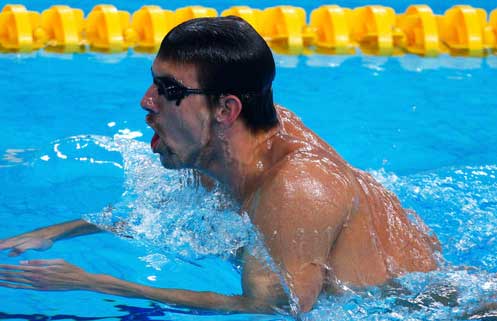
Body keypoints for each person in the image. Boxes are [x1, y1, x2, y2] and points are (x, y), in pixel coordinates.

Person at [0, 16, 440, 315]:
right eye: (154, 82)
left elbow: (266, 309)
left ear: (226, 110)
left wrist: (96, 282)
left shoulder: (295, 190)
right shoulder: (226, 141)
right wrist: (53, 232)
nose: (146, 102)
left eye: (168, 89)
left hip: (422, 306)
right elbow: (165, 214)